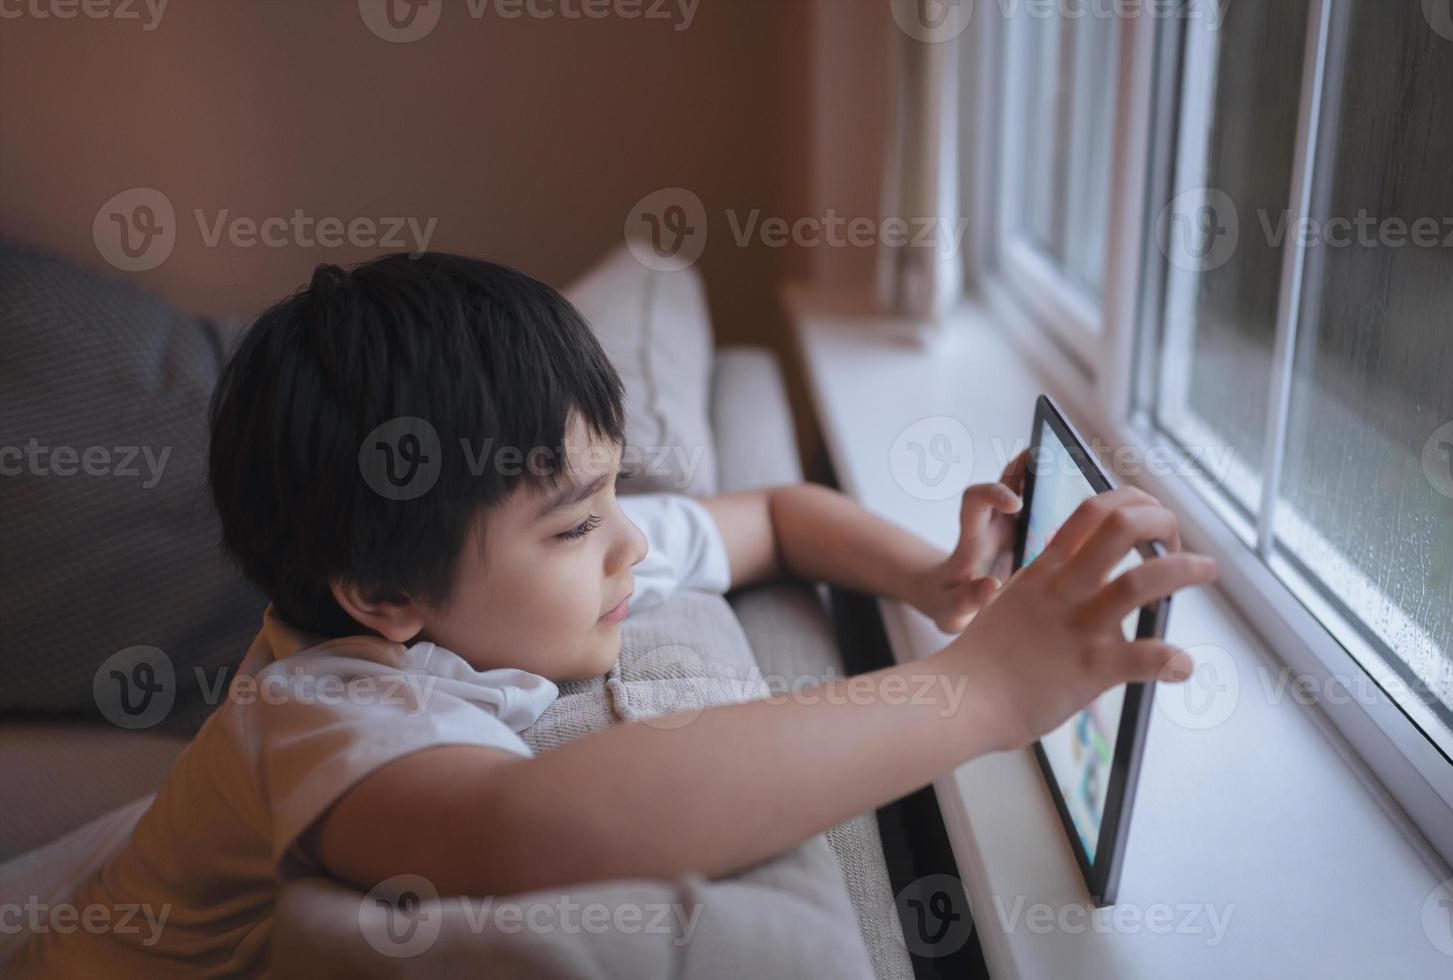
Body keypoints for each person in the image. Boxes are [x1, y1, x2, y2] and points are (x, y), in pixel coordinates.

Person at [18, 252, 1216, 976]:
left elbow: (778, 516)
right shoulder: (326, 714)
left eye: (606, 494)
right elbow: (529, 828)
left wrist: (934, 580)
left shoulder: (520, 576)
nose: (634, 538)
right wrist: (976, 692)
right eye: (579, 521)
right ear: (382, 597)